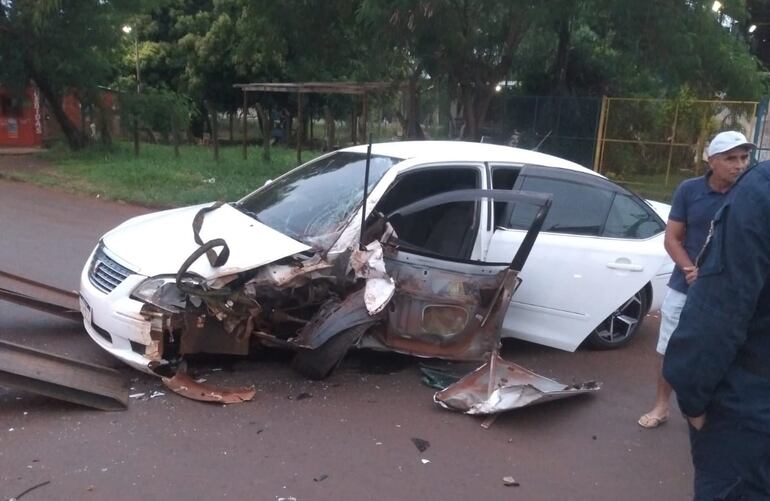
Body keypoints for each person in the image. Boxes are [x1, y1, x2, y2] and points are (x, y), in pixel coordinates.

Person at [663, 160, 770, 499]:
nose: (738, 163)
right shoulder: (691, 191)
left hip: (748, 409)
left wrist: (692, 398)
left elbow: (720, 312)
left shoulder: (759, 193)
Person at [638, 130, 753, 429]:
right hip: (684, 287)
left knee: (724, 351)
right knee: (669, 347)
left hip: (728, 293)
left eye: (744, 158)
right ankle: (662, 406)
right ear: (712, 161)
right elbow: (672, 238)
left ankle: (709, 412)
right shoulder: (689, 191)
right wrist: (690, 270)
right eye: (731, 158)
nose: (739, 165)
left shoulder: (750, 194)